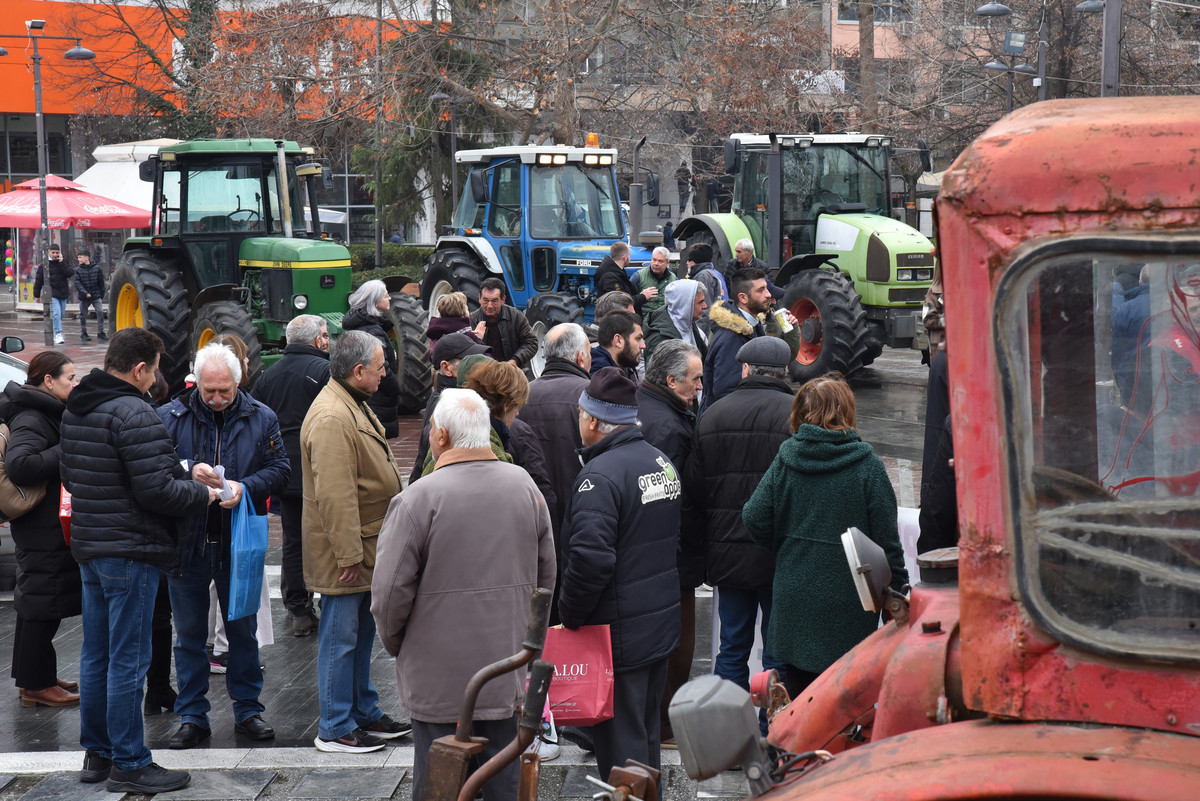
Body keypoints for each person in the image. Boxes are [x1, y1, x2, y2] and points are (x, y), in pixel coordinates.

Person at [372, 388, 556, 801]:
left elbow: (387, 596)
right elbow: (546, 577)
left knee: (440, 783)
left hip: (436, 679)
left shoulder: (417, 499)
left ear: (440, 436)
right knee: (503, 783)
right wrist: (529, 646)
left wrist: (398, 644)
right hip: (506, 668)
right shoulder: (523, 486)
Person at [61, 327, 218, 794]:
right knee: (128, 660)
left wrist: (181, 471)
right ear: (139, 369)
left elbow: (76, 473)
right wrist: (204, 494)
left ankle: (99, 753)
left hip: (91, 545)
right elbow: (156, 491)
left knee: (97, 654)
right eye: (153, 372)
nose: (154, 381)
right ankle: (130, 761)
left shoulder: (78, 406)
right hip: (131, 549)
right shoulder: (135, 411)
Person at [742, 373, 908, 699]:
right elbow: (888, 546)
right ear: (846, 411)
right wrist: (900, 601)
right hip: (849, 605)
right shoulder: (867, 467)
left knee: (797, 702)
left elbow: (753, 517)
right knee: (844, 704)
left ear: (801, 412)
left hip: (794, 597)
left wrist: (787, 548)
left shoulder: (787, 458)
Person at [157, 343, 290, 749]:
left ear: (238, 382)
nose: (216, 399)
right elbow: (153, 468)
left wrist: (245, 487)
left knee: (243, 632)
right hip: (187, 542)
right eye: (209, 390)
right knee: (189, 636)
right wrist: (187, 471)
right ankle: (192, 715)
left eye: (224, 391)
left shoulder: (261, 416)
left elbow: (280, 469)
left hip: (239, 542)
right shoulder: (170, 416)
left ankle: (248, 710)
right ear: (196, 381)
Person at [558, 368, 681, 779]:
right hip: (656, 627)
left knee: (623, 752)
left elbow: (590, 560)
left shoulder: (600, 477)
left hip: (618, 637)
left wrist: (570, 615)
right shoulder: (659, 461)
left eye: (581, 414)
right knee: (645, 738)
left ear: (594, 421)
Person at [301, 330, 410, 753]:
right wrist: (348, 554)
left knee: (361, 634)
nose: (385, 374)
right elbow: (335, 494)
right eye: (381, 367)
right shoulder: (333, 416)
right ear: (358, 370)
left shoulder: (350, 401)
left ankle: (363, 710)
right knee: (340, 638)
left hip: (363, 545)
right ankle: (334, 725)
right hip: (349, 552)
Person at [686, 337, 793, 726]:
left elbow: (695, 487)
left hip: (728, 552)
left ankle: (727, 733)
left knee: (731, 646)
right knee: (777, 651)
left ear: (745, 370)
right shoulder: (795, 414)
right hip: (779, 555)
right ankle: (773, 733)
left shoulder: (713, 414)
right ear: (784, 372)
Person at [1, 352, 81, 708]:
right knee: (43, 601)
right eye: (70, 378)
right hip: (39, 523)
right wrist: (66, 450)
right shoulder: (32, 416)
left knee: (37, 598)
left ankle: (34, 676)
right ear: (48, 381)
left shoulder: (41, 410)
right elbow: (21, 465)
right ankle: (37, 684)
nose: (74, 384)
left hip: (43, 520)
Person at [634, 341, 703, 744]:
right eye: (695, 379)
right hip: (671, 555)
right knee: (676, 638)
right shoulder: (669, 427)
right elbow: (669, 497)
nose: (700, 386)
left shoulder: (646, 405)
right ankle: (664, 724)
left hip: (651, 552)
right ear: (672, 380)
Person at [251, 314, 331, 636]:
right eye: (324, 335)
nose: (327, 340)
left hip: (284, 470)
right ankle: (329, 600)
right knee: (327, 535)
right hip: (319, 466)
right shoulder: (325, 371)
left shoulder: (268, 375)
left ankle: (299, 609)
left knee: (293, 539)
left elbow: (255, 418)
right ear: (316, 340)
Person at [517, 323, 592, 549]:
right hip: (582, 516)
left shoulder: (522, 395)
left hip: (533, 516)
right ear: (580, 357)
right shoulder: (591, 396)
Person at [702, 268, 798, 410]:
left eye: (766, 288)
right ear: (743, 298)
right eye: (761, 290)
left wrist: (793, 330)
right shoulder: (732, 337)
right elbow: (726, 394)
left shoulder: (753, 327)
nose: (768, 294)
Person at [408, 332, 491, 487]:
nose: (476, 363)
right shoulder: (447, 405)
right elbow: (430, 460)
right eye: (466, 359)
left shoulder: (452, 399)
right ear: (446, 368)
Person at [342, 279, 402, 438]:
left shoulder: (363, 324)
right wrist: (395, 389)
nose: (389, 298)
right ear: (374, 301)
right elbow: (379, 366)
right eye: (385, 296)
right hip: (377, 398)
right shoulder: (372, 329)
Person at [468, 278, 538, 369]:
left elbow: (531, 342)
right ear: (479, 298)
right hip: (483, 372)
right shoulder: (472, 320)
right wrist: (476, 341)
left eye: (494, 301)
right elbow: (464, 351)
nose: (489, 305)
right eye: (485, 300)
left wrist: (515, 360)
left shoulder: (515, 317)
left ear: (503, 300)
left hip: (512, 372)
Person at [643, 279, 708, 366]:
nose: (705, 306)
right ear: (686, 304)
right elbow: (656, 373)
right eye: (700, 302)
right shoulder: (660, 338)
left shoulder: (690, 326)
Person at [594, 242, 654, 315]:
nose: (630, 258)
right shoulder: (610, 278)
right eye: (629, 255)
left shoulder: (618, 273)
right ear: (625, 258)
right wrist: (643, 297)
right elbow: (620, 303)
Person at [425, 292, 486, 359]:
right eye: (466, 308)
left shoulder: (436, 333)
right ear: (463, 312)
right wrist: (478, 339)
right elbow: (484, 358)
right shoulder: (466, 334)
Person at [591, 310, 644, 383]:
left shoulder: (624, 365)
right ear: (618, 340)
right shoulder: (604, 378)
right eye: (638, 338)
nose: (643, 346)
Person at [33, 245, 71, 345]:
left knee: (61, 314)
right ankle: (58, 333)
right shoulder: (44, 265)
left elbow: (69, 273)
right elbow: (38, 281)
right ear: (49, 252)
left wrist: (61, 263)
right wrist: (36, 295)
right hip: (52, 293)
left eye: (57, 253)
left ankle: (55, 330)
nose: (55, 255)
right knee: (56, 313)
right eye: (53, 252)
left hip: (62, 292)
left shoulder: (63, 263)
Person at [74, 251, 107, 343]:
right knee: (83, 314)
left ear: (86, 258)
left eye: (80, 257)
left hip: (96, 295)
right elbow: (78, 283)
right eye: (78, 257)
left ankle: (101, 332)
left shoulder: (96, 268)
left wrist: (101, 294)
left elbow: (101, 282)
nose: (78, 259)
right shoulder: (78, 270)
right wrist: (85, 293)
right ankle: (83, 333)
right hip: (84, 297)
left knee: (100, 312)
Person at [634, 247, 676, 314]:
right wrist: (641, 297)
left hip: (665, 319)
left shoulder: (674, 280)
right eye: (654, 260)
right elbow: (627, 300)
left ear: (667, 263)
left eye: (660, 261)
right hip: (643, 318)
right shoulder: (638, 276)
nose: (656, 264)